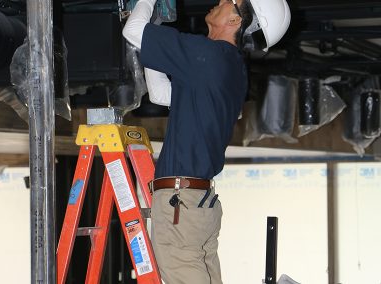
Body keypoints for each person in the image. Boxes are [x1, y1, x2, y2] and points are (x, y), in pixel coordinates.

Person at [122, 0, 290, 283]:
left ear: (236, 22)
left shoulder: (209, 56)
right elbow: (162, 95)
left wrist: (146, 3)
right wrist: (154, 38)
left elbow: (133, 30)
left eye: (231, 2)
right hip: (193, 205)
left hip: (186, 205)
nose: (221, 1)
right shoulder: (226, 65)